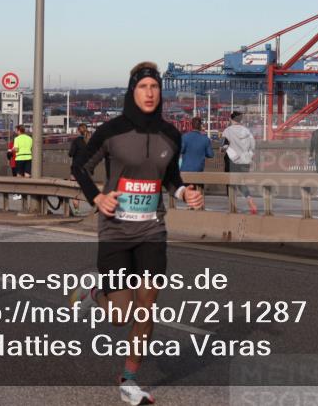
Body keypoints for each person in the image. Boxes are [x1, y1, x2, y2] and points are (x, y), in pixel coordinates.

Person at [69, 61, 203, 406]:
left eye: (155, 87)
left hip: (152, 230)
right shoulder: (112, 131)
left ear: (161, 93)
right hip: (115, 230)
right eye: (143, 87)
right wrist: (97, 197)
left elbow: (171, 178)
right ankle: (93, 292)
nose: (149, 93)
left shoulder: (170, 135)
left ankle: (129, 378)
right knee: (120, 316)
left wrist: (183, 193)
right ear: (133, 91)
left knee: (146, 306)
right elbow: (80, 166)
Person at [221, 111, 258, 215]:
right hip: (245, 162)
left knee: (230, 183)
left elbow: (223, 147)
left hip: (232, 161)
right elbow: (253, 146)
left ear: (231, 119)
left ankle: (233, 207)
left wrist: (224, 149)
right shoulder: (247, 131)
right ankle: (249, 199)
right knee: (241, 182)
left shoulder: (227, 131)